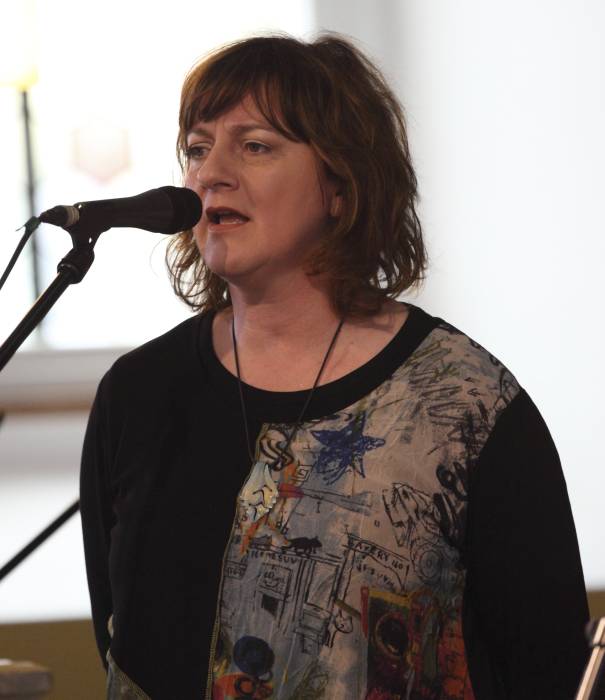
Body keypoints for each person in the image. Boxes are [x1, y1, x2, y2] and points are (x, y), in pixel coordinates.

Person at [80, 33, 589, 700]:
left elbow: (550, 668)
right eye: (198, 149)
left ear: (341, 188)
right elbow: (120, 643)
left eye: (255, 146)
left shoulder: (466, 405)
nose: (210, 174)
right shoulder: (140, 392)